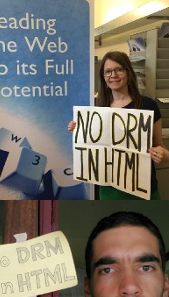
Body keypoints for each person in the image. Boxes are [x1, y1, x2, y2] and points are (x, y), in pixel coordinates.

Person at [68, 51, 169, 199]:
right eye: (108, 71)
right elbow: (93, 146)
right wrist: (79, 131)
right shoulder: (97, 108)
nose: (113, 75)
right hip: (108, 188)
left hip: (142, 187)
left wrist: (165, 156)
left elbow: (159, 146)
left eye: (119, 70)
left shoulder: (148, 105)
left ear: (128, 73)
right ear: (103, 77)